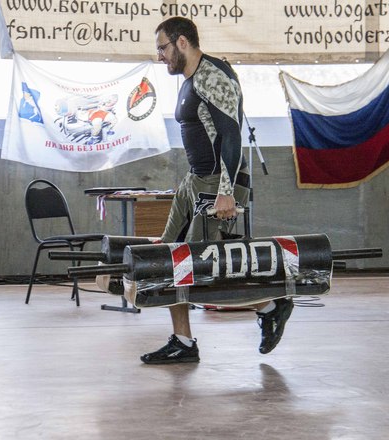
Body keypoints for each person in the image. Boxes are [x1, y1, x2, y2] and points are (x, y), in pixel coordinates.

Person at [140, 17, 294, 364]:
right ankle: (183, 341)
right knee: (170, 258)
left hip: (217, 185)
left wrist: (225, 192)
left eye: (163, 48)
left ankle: (271, 306)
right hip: (195, 182)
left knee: (202, 267)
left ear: (182, 42)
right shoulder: (189, 80)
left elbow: (231, 136)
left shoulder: (213, 75)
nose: (160, 56)